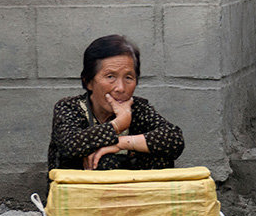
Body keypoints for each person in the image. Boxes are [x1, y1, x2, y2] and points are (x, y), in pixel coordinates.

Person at [48, 34, 184, 174]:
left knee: (160, 155)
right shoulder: (70, 107)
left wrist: (121, 143)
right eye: (110, 77)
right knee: (104, 161)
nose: (121, 88)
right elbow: (70, 145)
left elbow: (174, 139)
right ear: (88, 81)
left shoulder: (138, 108)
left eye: (128, 78)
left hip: (135, 192)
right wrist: (118, 125)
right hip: (82, 193)